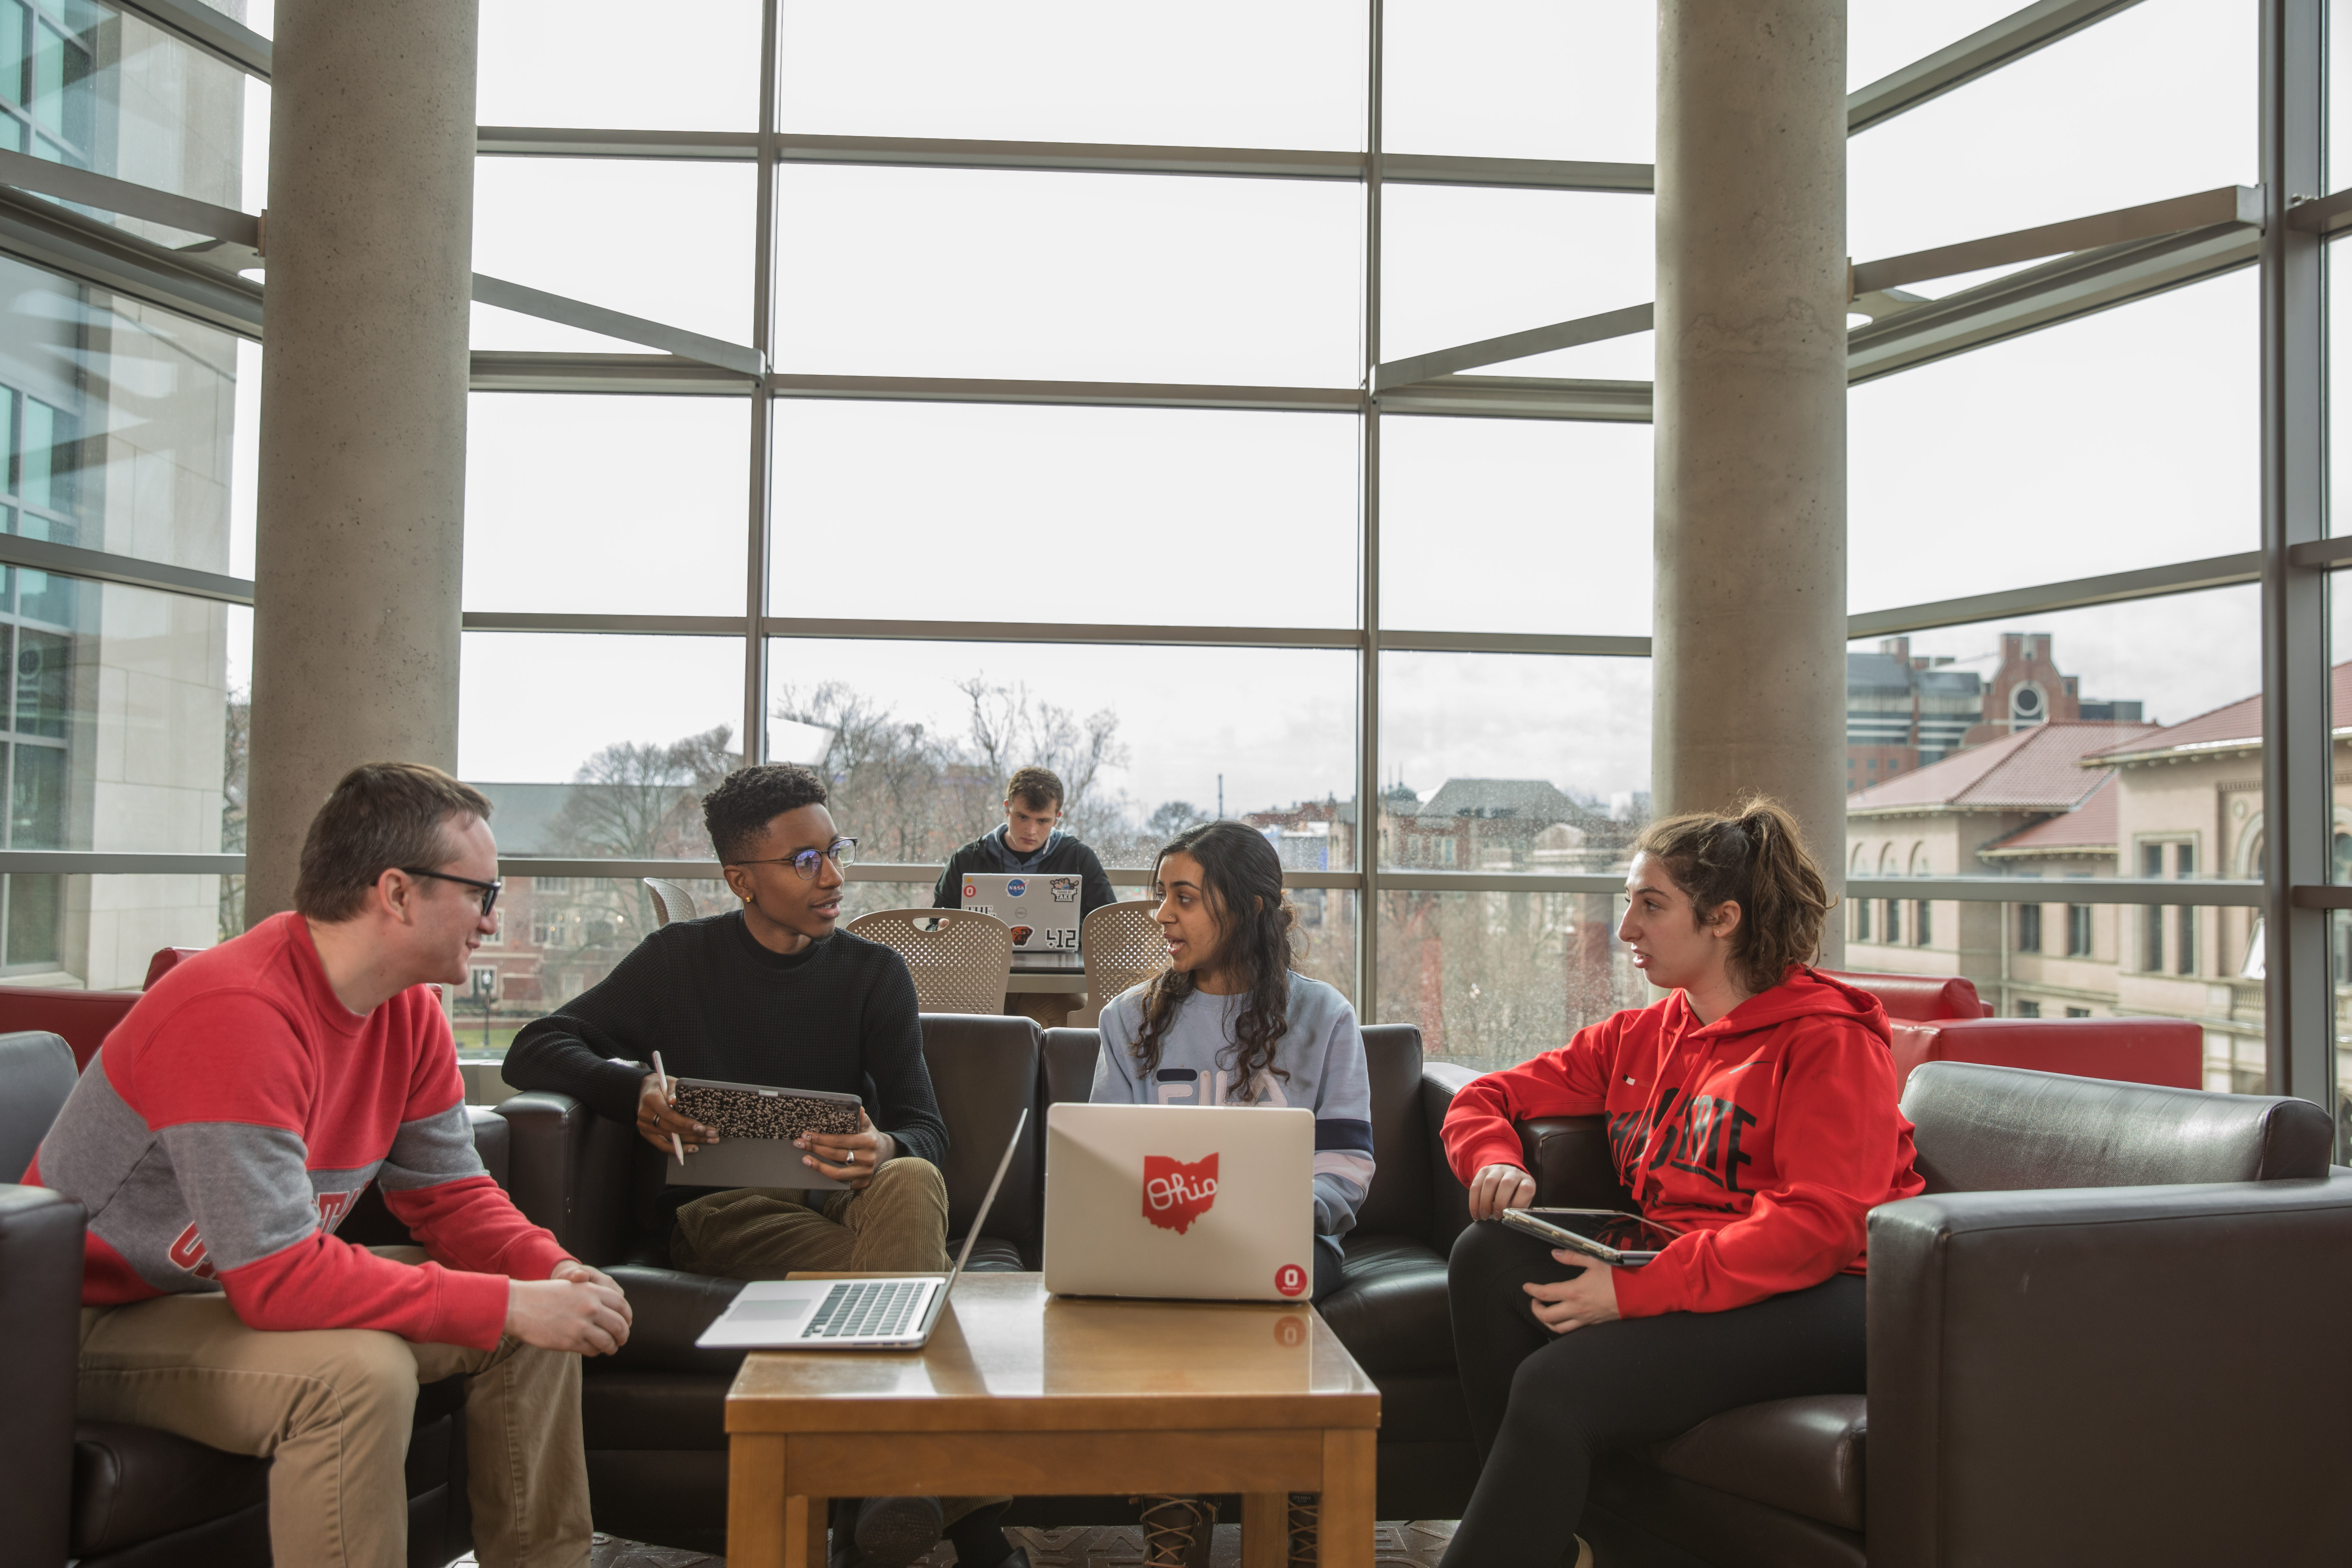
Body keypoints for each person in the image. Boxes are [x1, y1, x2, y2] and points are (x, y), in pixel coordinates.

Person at [28, 762, 631, 1568]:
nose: (493, 920)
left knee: (537, 1327)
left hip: (221, 1297)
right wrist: (505, 1302)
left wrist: (552, 1273)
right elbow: (277, 1280)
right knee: (356, 1371)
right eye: (482, 894)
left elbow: (450, 1196)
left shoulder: (410, 1011)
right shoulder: (232, 1012)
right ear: (397, 892)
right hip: (77, 1324)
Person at [501, 761, 1020, 1568]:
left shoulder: (873, 972)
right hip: (726, 1212)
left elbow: (925, 1130)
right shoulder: (678, 959)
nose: (834, 876)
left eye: (834, 851)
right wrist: (630, 1087)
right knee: (921, 1287)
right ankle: (970, 1531)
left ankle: (875, 1498)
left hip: (850, 1203)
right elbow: (534, 1047)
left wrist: (885, 1146)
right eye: (805, 861)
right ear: (741, 878)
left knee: (912, 1181)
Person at [1435, 799, 1925, 1568]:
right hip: (1695, 1261)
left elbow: (1822, 1223)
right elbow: (1486, 1095)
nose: (1625, 928)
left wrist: (1634, 1292)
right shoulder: (1643, 1034)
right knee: (1486, 1252)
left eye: (1650, 905)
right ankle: (1551, 1537)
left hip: (1838, 1294)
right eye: (1628, 902)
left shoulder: (1827, 1040)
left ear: (1722, 918)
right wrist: (1494, 1158)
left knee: (1555, 1386)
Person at [1091, 819, 1374, 1568]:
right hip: (1163, 1244)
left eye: (1183, 897)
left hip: (1290, 1240)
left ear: (1248, 909)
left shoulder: (1324, 1016)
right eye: (1160, 896)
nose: (1160, 915)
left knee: (1259, 1290)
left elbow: (1346, 1163)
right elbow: (1101, 1168)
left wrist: (1279, 1217)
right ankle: (1174, 1527)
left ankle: (1305, 1520)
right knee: (1171, 1295)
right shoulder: (1126, 1020)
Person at [932, 765, 1117, 920]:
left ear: (1057, 819)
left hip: (1063, 964)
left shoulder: (1079, 858)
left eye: (1043, 821)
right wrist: (942, 929)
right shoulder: (967, 860)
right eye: (1022, 817)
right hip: (987, 963)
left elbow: (1109, 924)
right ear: (1007, 809)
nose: (1031, 830)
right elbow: (936, 922)